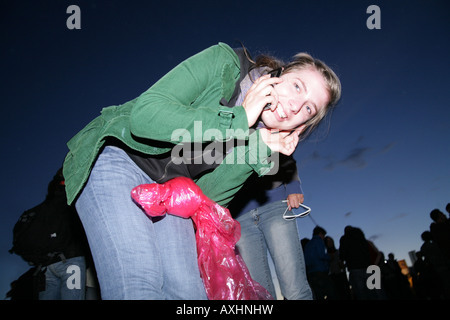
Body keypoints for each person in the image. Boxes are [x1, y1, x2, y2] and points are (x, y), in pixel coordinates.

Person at [63, 42, 341, 299]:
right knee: (140, 282)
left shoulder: (256, 136)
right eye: (296, 86)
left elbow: (207, 196)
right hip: (123, 158)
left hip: (173, 192)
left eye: (308, 108)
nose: (294, 106)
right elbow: (145, 116)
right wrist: (238, 119)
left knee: (188, 294)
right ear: (279, 73)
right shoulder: (225, 65)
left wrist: (255, 149)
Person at [228, 153, 312, 300]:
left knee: (295, 290)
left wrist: (293, 185)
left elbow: (283, 150)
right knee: (260, 296)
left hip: (274, 204)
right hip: (239, 215)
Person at [339, 226, 372, 299]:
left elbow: (342, 252)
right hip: (367, 266)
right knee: (372, 290)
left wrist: (342, 261)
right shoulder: (361, 237)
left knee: (361, 292)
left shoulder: (344, 239)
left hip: (355, 268)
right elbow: (367, 250)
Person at [304, 226, 337, 299]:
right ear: (320, 234)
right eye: (323, 235)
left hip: (311, 273)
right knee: (331, 292)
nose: (324, 237)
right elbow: (321, 255)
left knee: (319, 295)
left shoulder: (308, 244)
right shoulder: (319, 241)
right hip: (320, 272)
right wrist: (329, 257)